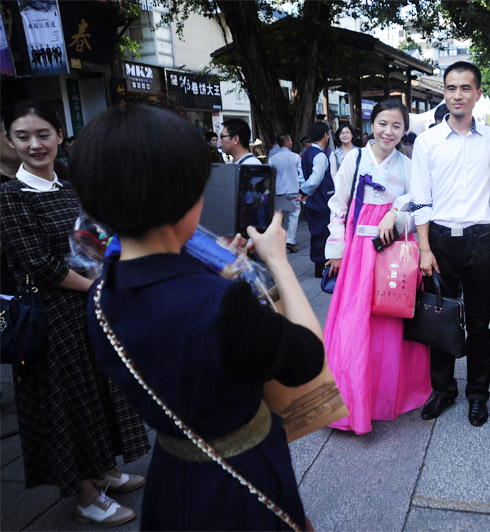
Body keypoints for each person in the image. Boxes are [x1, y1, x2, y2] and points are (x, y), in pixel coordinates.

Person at [70, 104, 325, 530]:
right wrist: (278, 261)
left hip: (173, 472)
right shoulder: (222, 302)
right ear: (187, 195)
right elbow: (308, 359)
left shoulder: (101, 294)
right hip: (243, 477)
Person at [1, 102, 150, 526]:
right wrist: (98, 286)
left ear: (60, 135)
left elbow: (94, 239)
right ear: (10, 142)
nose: (35, 144)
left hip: (89, 308)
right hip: (51, 321)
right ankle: (85, 493)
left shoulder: (69, 187)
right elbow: (39, 264)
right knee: (68, 403)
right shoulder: (11, 197)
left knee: (99, 393)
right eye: (23, 136)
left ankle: (102, 469)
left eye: (43, 134)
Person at [323, 99, 431, 434]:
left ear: (404, 130)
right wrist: (336, 249)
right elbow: (338, 205)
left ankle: (386, 397)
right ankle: (350, 401)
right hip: (357, 254)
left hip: (392, 252)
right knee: (353, 324)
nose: (389, 131)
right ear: (372, 124)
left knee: (389, 324)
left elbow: (418, 208)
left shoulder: (408, 165)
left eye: (397, 126)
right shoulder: (354, 158)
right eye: (383, 123)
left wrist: (395, 214)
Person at [409, 61, 490, 426]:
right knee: (438, 317)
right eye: (450, 88)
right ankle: (443, 390)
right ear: (443, 93)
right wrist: (425, 249)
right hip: (440, 241)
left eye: (465, 88)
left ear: (477, 94)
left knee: (479, 323)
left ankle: (478, 394)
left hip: (479, 239)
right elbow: (420, 198)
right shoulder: (428, 142)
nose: (457, 95)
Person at [300, 122, 334, 278]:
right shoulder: (320, 155)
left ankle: (318, 265)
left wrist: (303, 191)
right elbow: (315, 179)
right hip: (321, 200)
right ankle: (321, 266)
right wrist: (305, 190)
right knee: (322, 233)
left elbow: (303, 177)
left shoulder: (306, 153)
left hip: (312, 201)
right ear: (325, 136)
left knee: (316, 233)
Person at [269, 133, 302, 253]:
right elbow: (301, 174)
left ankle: (285, 238)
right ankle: (290, 240)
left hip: (279, 190)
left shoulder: (273, 158)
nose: (292, 142)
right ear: (287, 142)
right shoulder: (296, 157)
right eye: (291, 141)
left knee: (282, 216)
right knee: (294, 215)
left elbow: (270, 177)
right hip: (293, 189)